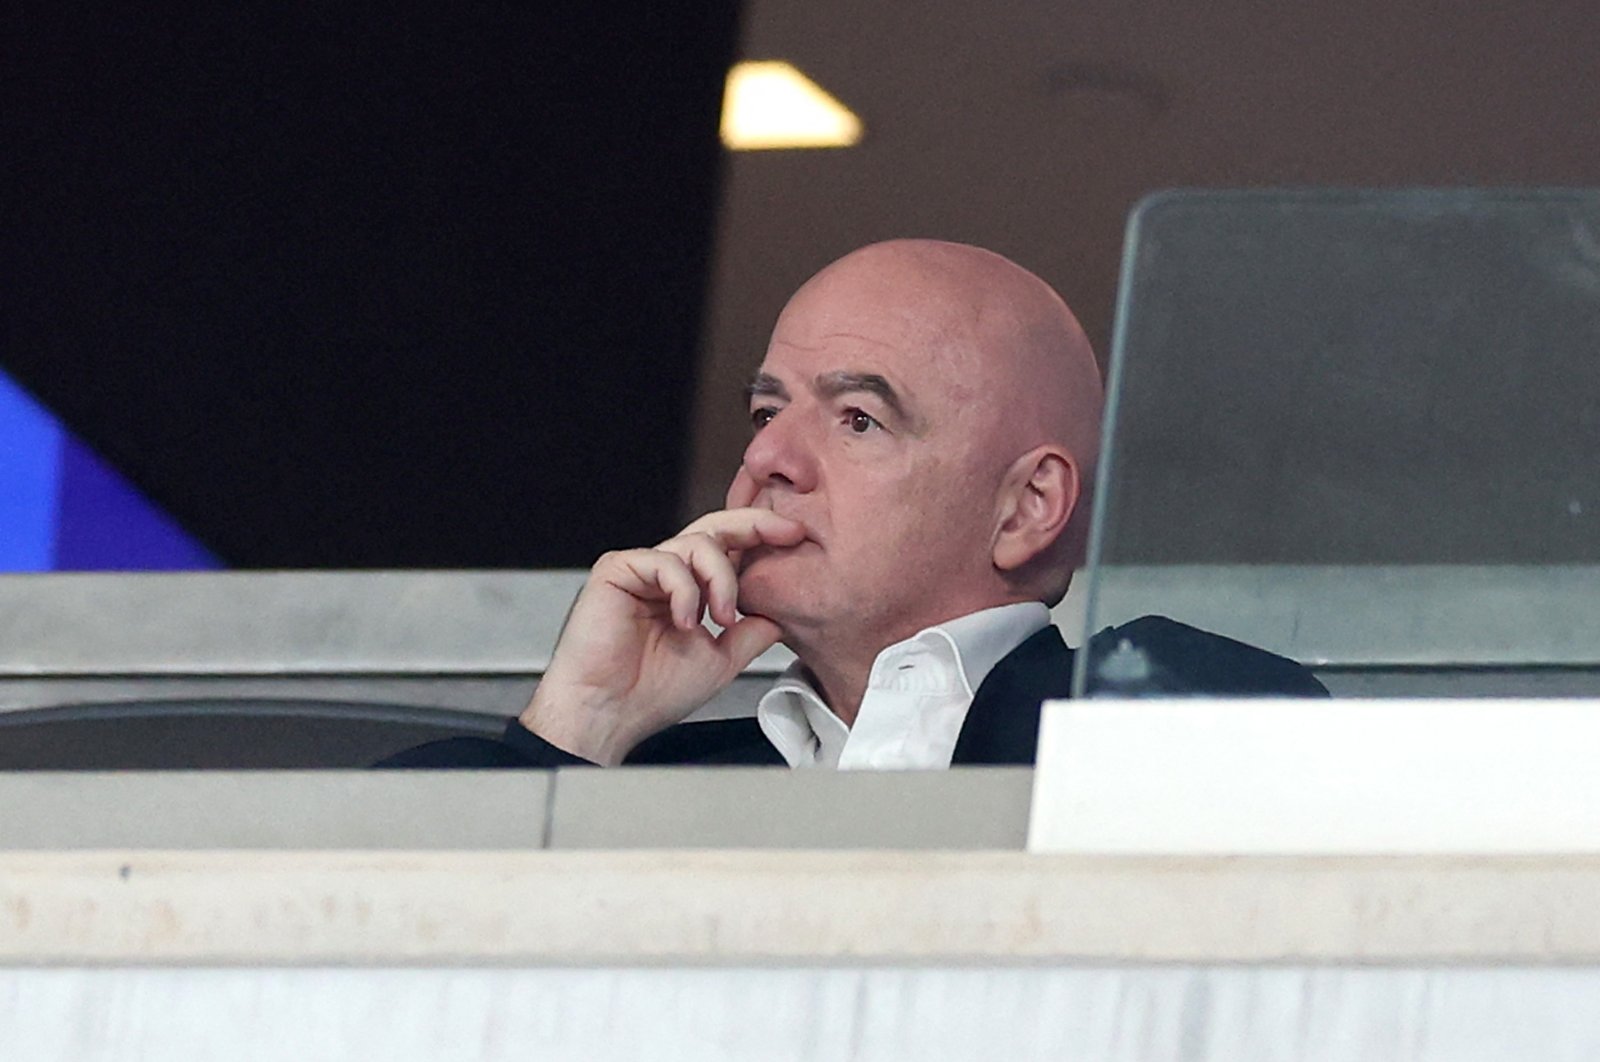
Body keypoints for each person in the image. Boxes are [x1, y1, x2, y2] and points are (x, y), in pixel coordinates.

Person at [382, 239, 1324, 770]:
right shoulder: (642, 779)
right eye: (765, 410)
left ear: (1027, 506)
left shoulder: (1162, 716)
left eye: (859, 419)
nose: (766, 458)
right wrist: (581, 725)